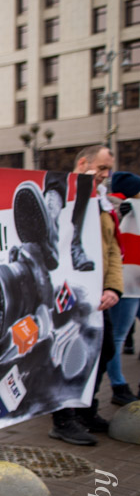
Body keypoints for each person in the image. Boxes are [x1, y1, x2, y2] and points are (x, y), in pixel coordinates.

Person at [47, 145, 122, 445]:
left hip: (96, 292)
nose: (106, 175)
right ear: (83, 164)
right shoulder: (61, 192)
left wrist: (113, 287)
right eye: (102, 169)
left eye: (108, 170)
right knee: (65, 352)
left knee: (104, 350)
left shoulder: (100, 202)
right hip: (65, 291)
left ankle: (87, 409)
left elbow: (112, 248)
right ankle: (63, 419)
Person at [107, 171, 140, 405]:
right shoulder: (114, 207)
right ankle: (118, 386)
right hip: (125, 284)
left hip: (131, 283)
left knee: (117, 336)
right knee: (117, 337)